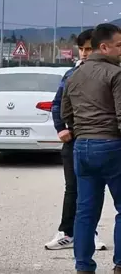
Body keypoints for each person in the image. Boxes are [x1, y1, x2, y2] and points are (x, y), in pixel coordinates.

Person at [61, 23, 121, 274]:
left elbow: (66, 113)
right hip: (111, 145)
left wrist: (82, 129)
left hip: (82, 148)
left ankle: (83, 267)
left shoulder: (74, 75)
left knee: (85, 211)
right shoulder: (116, 74)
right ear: (104, 47)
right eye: (119, 46)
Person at [46, 29, 106, 251]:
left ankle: (91, 233)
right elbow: (56, 104)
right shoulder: (70, 75)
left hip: (100, 139)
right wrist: (61, 128)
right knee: (72, 188)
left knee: (94, 189)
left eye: (88, 49)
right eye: (81, 49)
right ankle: (67, 232)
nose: (84, 53)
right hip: (74, 141)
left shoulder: (109, 73)